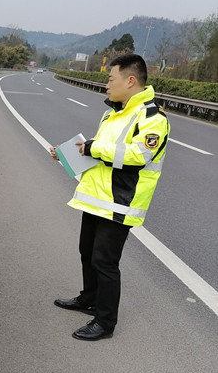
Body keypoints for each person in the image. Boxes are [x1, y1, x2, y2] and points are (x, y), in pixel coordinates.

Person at [50, 53, 170, 341]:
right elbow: (101, 151)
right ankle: (88, 298)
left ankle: (105, 322)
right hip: (96, 197)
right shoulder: (114, 113)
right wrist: (69, 155)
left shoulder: (153, 118)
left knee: (105, 261)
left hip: (121, 201)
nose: (106, 83)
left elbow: (137, 156)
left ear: (130, 80)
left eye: (110, 78)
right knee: (87, 252)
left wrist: (92, 148)